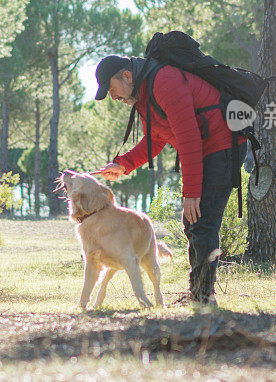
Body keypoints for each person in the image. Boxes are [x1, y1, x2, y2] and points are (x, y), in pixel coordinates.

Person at [94, 55, 247, 306]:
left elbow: (189, 140)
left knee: (202, 220)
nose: (113, 97)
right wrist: (124, 164)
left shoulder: (164, 82)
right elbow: (156, 138)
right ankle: (198, 293)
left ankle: (203, 299)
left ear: (127, 76)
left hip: (224, 145)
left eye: (112, 89)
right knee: (193, 221)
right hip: (206, 149)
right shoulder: (144, 95)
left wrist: (191, 193)